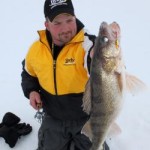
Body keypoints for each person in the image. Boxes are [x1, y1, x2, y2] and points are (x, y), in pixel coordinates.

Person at [21, 0, 109, 150]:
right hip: (53, 117)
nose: (66, 28)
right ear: (47, 24)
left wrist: (99, 54)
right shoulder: (37, 49)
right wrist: (32, 91)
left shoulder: (87, 44)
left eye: (70, 20)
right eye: (57, 23)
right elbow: (28, 73)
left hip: (86, 117)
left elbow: (95, 59)